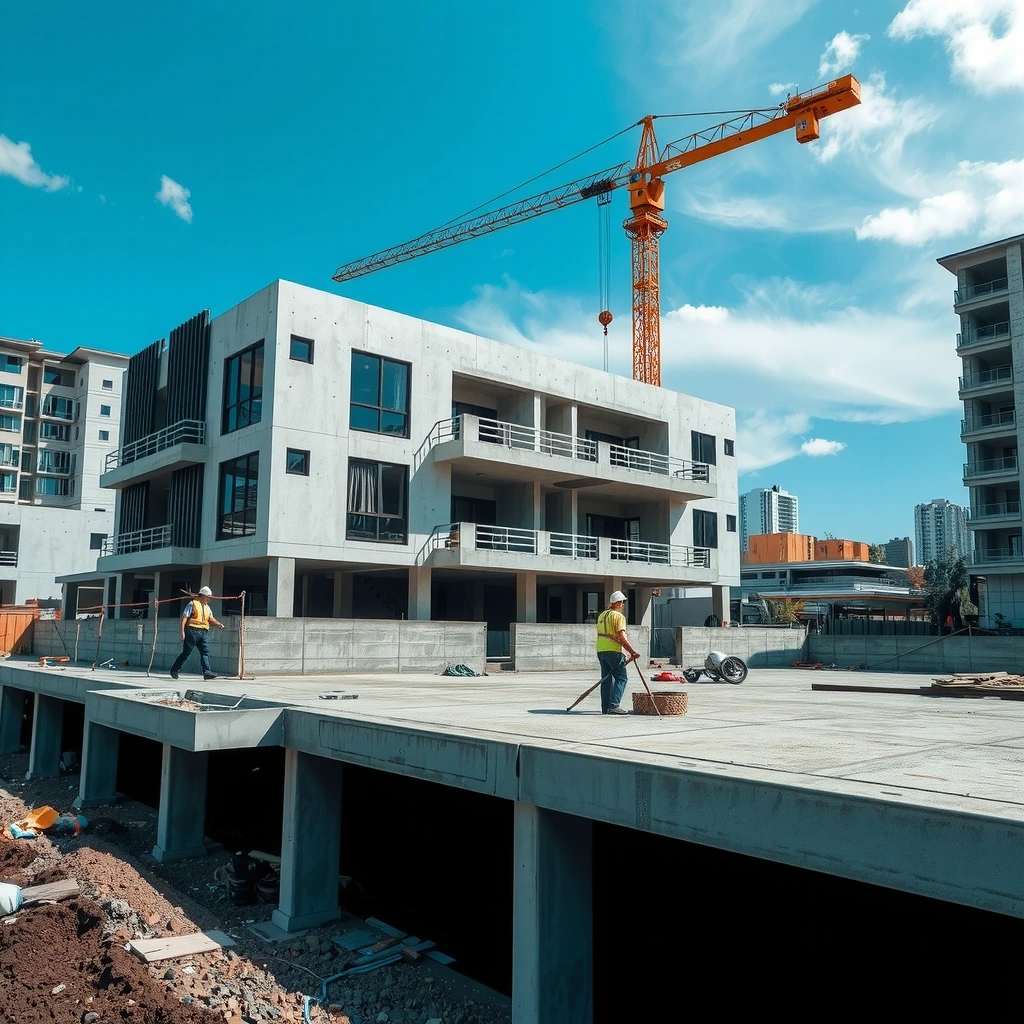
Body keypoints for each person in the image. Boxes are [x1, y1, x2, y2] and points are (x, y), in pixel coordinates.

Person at [595, 590, 641, 715]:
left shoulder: (602, 615)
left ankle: (605, 707)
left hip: (601, 650)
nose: (623, 605)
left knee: (606, 679)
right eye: (622, 602)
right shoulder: (618, 616)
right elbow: (621, 636)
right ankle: (614, 705)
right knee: (621, 678)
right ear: (618, 603)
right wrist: (632, 652)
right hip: (613, 650)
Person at [170, 586, 226, 680]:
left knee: (204, 652)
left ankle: (207, 672)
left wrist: (218, 624)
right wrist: (182, 631)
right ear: (203, 596)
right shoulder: (192, 604)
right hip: (192, 631)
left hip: (203, 632)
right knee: (186, 652)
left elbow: (210, 618)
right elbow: (184, 618)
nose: (209, 599)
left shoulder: (207, 607)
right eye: (208, 596)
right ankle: (174, 670)